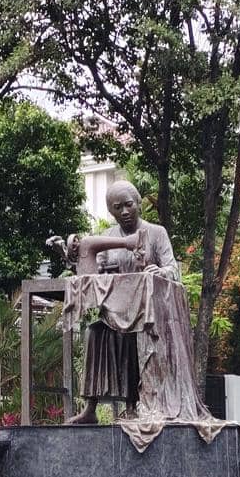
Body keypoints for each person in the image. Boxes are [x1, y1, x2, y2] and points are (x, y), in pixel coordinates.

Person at [66, 180, 178, 424]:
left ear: (138, 203)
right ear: (111, 212)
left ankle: (132, 406)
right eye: (118, 208)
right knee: (94, 333)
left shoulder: (157, 233)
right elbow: (96, 270)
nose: (124, 212)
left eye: (128, 205)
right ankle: (90, 408)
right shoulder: (107, 237)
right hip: (115, 311)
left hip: (145, 314)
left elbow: (173, 269)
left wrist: (161, 271)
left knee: (134, 336)